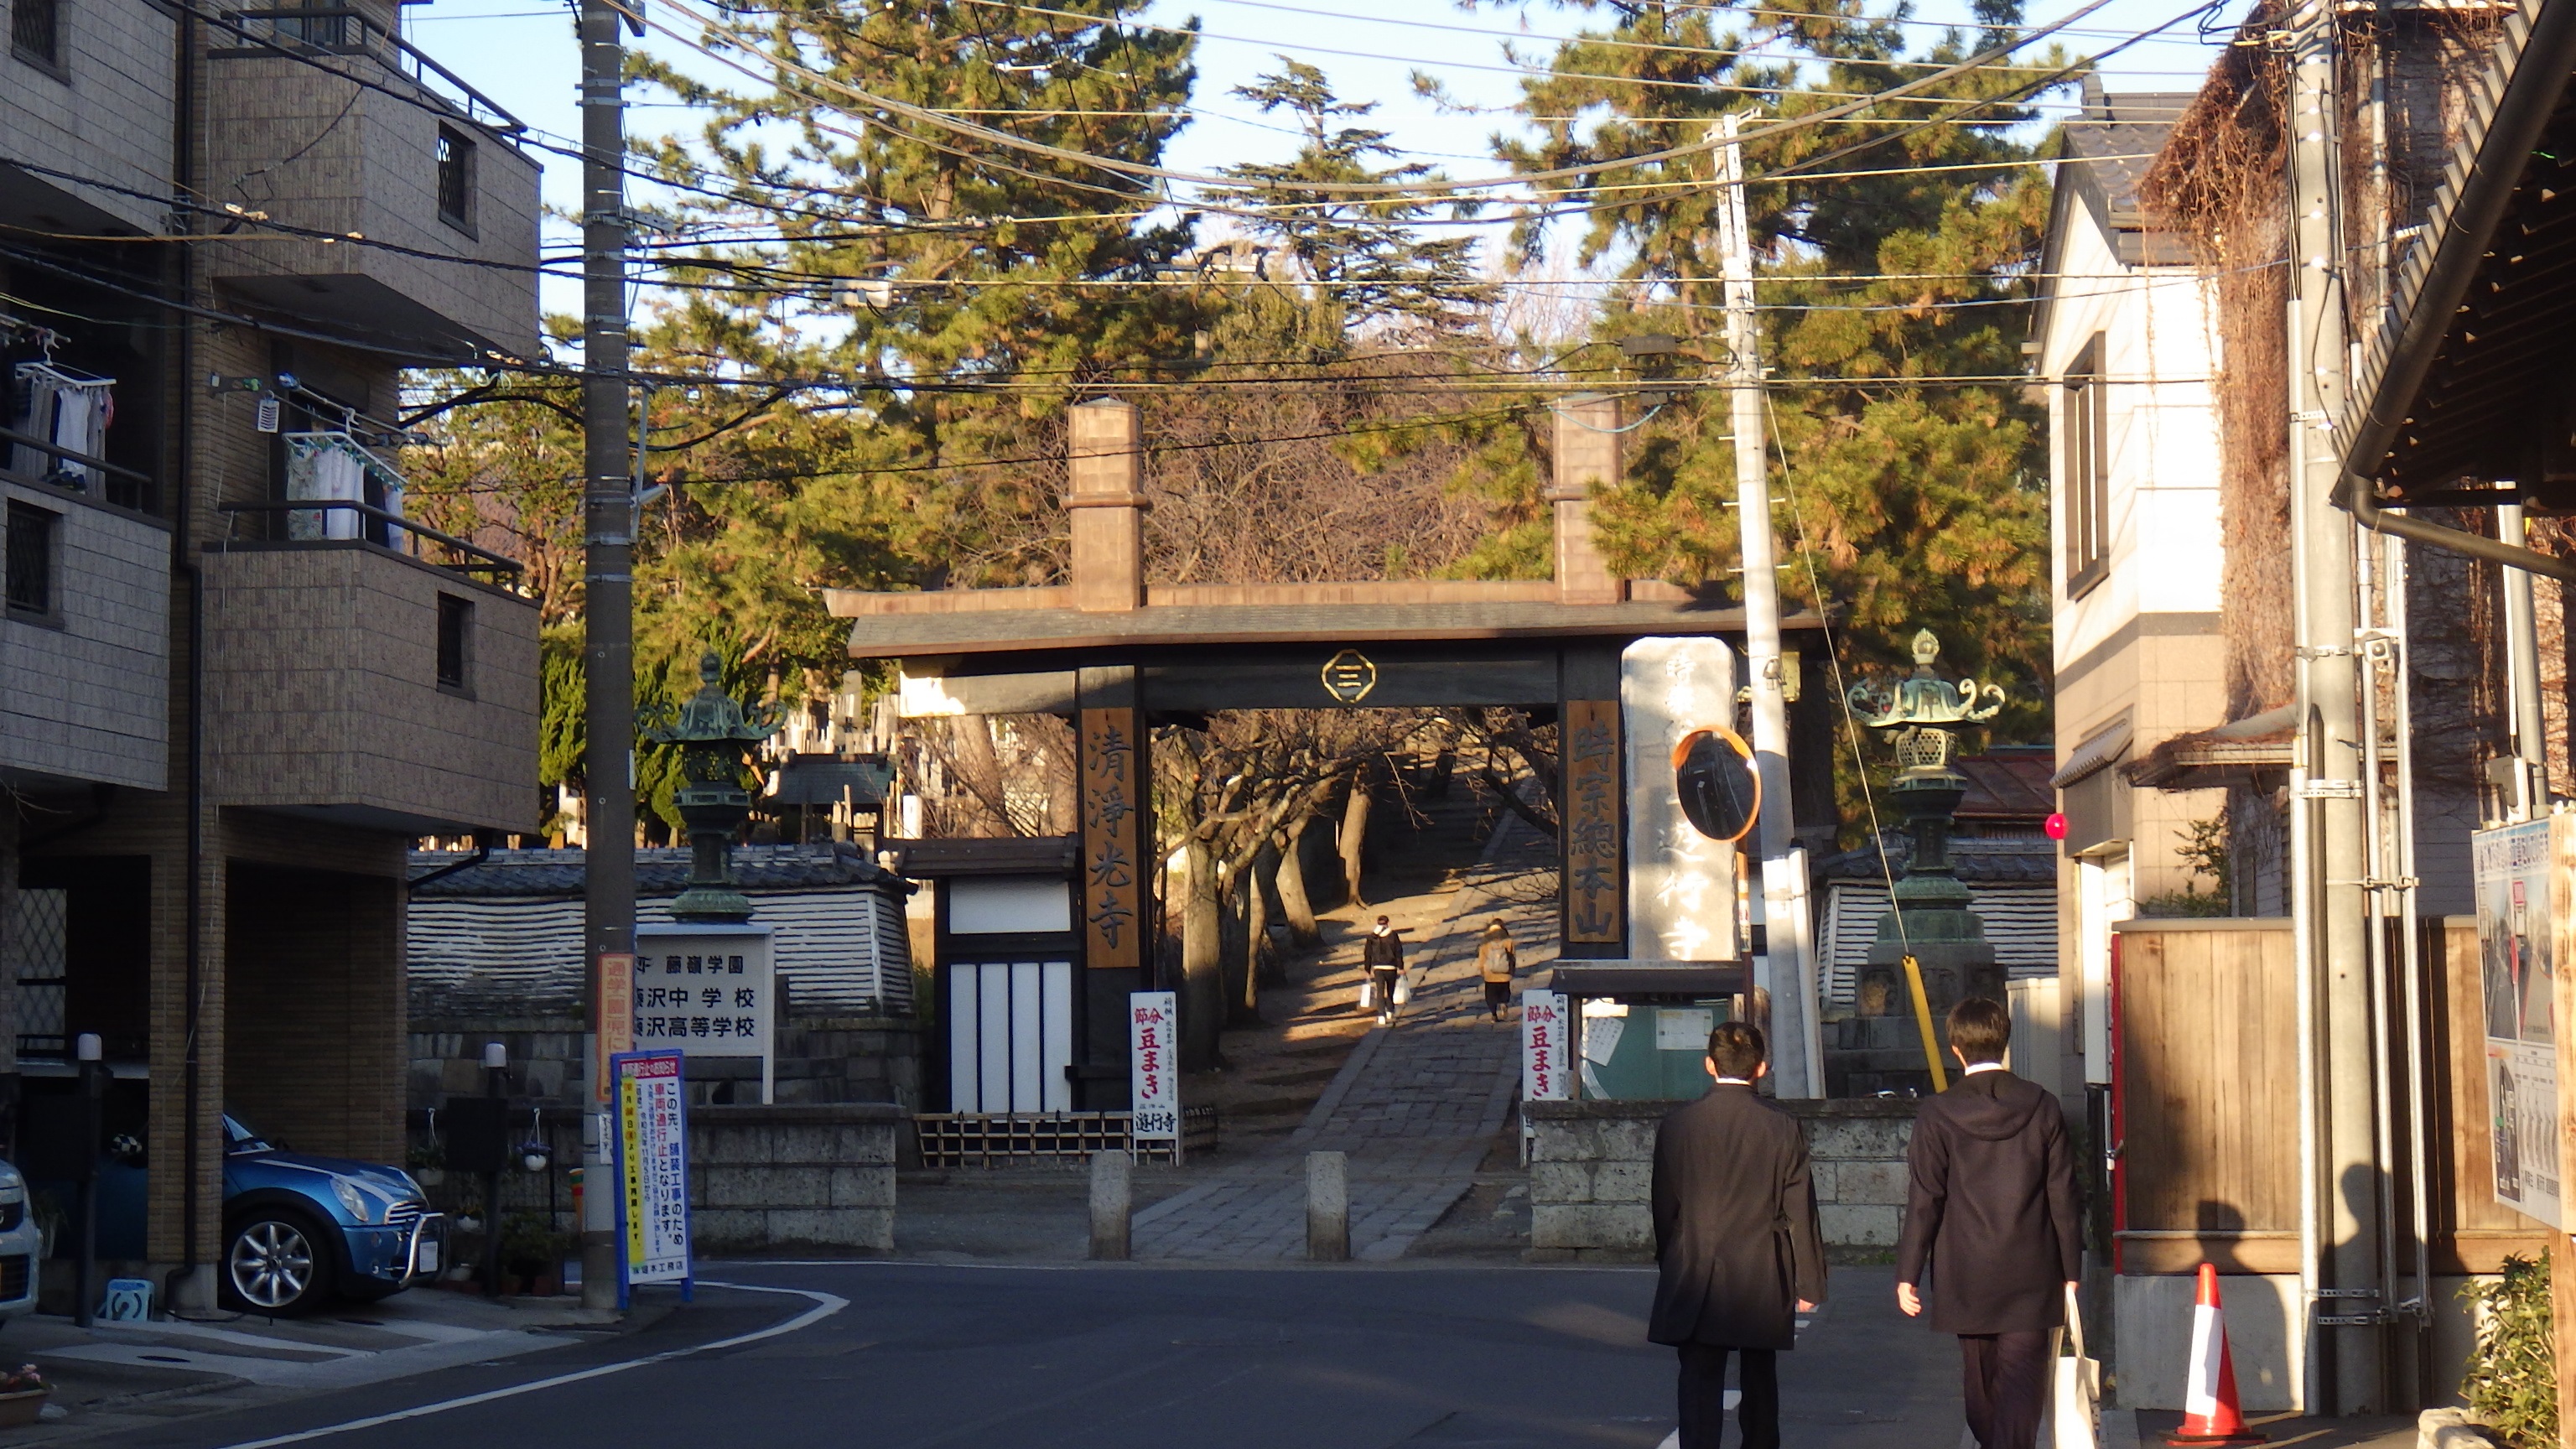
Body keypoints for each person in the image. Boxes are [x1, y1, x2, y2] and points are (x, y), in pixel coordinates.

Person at [1894, 996, 2081, 1449]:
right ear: (2005, 1042)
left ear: (1956, 1049)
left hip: (1966, 1270)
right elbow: (2063, 1193)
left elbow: (1925, 1198)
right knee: (2022, 1382)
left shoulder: (1937, 1113)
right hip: (2033, 1267)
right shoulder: (2042, 1105)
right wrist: (2071, 1268)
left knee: (1979, 1383)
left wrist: (1908, 1274)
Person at [1649, 1021, 1826, 1449]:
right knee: (1760, 1377)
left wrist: (1670, 1259)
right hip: (1762, 1267)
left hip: (1696, 1264)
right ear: (1761, 1067)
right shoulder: (1782, 1126)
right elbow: (1800, 1209)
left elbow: (1664, 1207)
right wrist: (1809, 1283)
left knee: (1698, 1378)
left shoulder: (1679, 1124)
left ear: (1709, 1065)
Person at [1362, 916, 1404, 1026]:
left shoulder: (1372, 937)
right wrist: (1401, 967)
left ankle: (1381, 1015)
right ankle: (1390, 1010)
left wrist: (1367, 969)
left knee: (1380, 992)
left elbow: (1368, 953)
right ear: (1388, 923)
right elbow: (1398, 952)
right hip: (1391, 967)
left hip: (1378, 968)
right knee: (1390, 989)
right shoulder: (1393, 935)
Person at [1476, 919, 1518, 1022]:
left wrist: (1482, 971)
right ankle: (1504, 1003)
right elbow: (1512, 957)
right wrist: (1512, 970)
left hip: (1490, 975)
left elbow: (1482, 958)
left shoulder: (1485, 941)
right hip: (1504, 973)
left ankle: (1494, 1015)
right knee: (1504, 991)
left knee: (1491, 996)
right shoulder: (1508, 940)